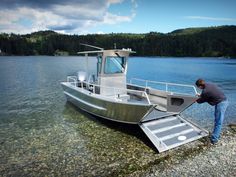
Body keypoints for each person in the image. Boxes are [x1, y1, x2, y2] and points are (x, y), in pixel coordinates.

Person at [195, 79, 228, 144]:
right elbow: (208, 94)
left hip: (221, 103)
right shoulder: (209, 84)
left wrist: (195, 100)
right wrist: (200, 96)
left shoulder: (205, 91)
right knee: (218, 120)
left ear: (200, 86)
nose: (199, 89)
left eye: (198, 87)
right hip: (224, 100)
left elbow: (201, 100)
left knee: (218, 122)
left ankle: (214, 139)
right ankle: (216, 135)